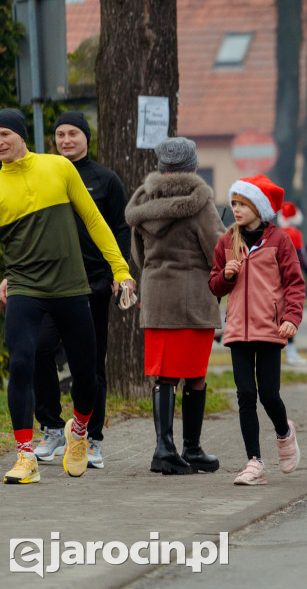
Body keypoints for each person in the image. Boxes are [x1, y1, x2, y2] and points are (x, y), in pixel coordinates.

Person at [0, 108, 134, 484]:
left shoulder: (58, 168)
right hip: (25, 286)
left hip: (71, 286)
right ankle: (25, 455)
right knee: (22, 364)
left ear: (21, 136)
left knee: (86, 373)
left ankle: (79, 431)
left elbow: (94, 220)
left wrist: (121, 270)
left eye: (4, 134)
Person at [125, 137, 224, 476]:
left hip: (157, 297)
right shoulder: (200, 203)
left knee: (164, 374)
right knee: (195, 374)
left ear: (161, 167)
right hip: (194, 298)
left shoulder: (142, 200)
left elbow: (137, 255)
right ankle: (190, 448)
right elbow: (217, 252)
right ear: (193, 167)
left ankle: (164, 448)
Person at [209, 174, 304, 486]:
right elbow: (215, 286)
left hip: (270, 330)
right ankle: (255, 463)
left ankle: (284, 433)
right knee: (245, 395)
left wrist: (291, 318)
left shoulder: (280, 241)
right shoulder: (227, 241)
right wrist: (226, 275)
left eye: (243, 204)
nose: (236, 209)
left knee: (269, 395)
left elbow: (294, 284)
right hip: (238, 330)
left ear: (259, 208)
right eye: (234, 203)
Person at [277, 201, 307, 366]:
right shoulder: (295, 233)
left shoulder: (277, 232)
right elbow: (300, 259)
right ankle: (291, 353)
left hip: (276, 280)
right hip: (290, 280)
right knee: (290, 317)